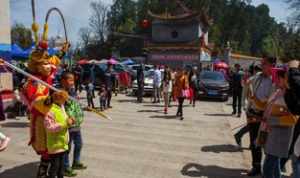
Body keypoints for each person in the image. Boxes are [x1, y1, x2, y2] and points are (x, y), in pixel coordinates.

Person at [261, 69, 298, 178]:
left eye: (279, 78)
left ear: (286, 79)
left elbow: (292, 119)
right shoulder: (278, 92)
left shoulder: (291, 95)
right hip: (271, 133)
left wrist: (271, 120)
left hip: (280, 137)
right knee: (275, 164)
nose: (276, 80)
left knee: (267, 167)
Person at [246, 57, 276, 176]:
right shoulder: (258, 76)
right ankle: (256, 166)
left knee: (265, 143)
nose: (262, 66)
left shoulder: (274, 81)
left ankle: (269, 169)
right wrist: (245, 81)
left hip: (264, 116)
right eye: (261, 63)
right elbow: (247, 82)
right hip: (253, 113)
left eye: (264, 64)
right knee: (254, 142)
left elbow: (269, 102)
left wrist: (255, 99)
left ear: (272, 65)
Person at [61, 72, 87, 177]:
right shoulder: (60, 92)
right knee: (67, 147)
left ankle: (76, 162)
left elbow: (75, 103)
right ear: (63, 81)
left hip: (76, 123)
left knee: (79, 144)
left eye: (73, 80)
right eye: (70, 80)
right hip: (68, 124)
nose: (72, 82)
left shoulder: (72, 91)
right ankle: (65, 168)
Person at [43, 91, 74, 178]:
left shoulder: (61, 108)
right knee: (55, 167)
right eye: (65, 99)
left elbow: (64, 119)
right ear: (59, 99)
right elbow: (49, 127)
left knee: (61, 167)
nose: (66, 101)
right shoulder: (50, 111)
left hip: (62, 143)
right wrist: (65, 124)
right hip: (55, 145)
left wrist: (70, 119)